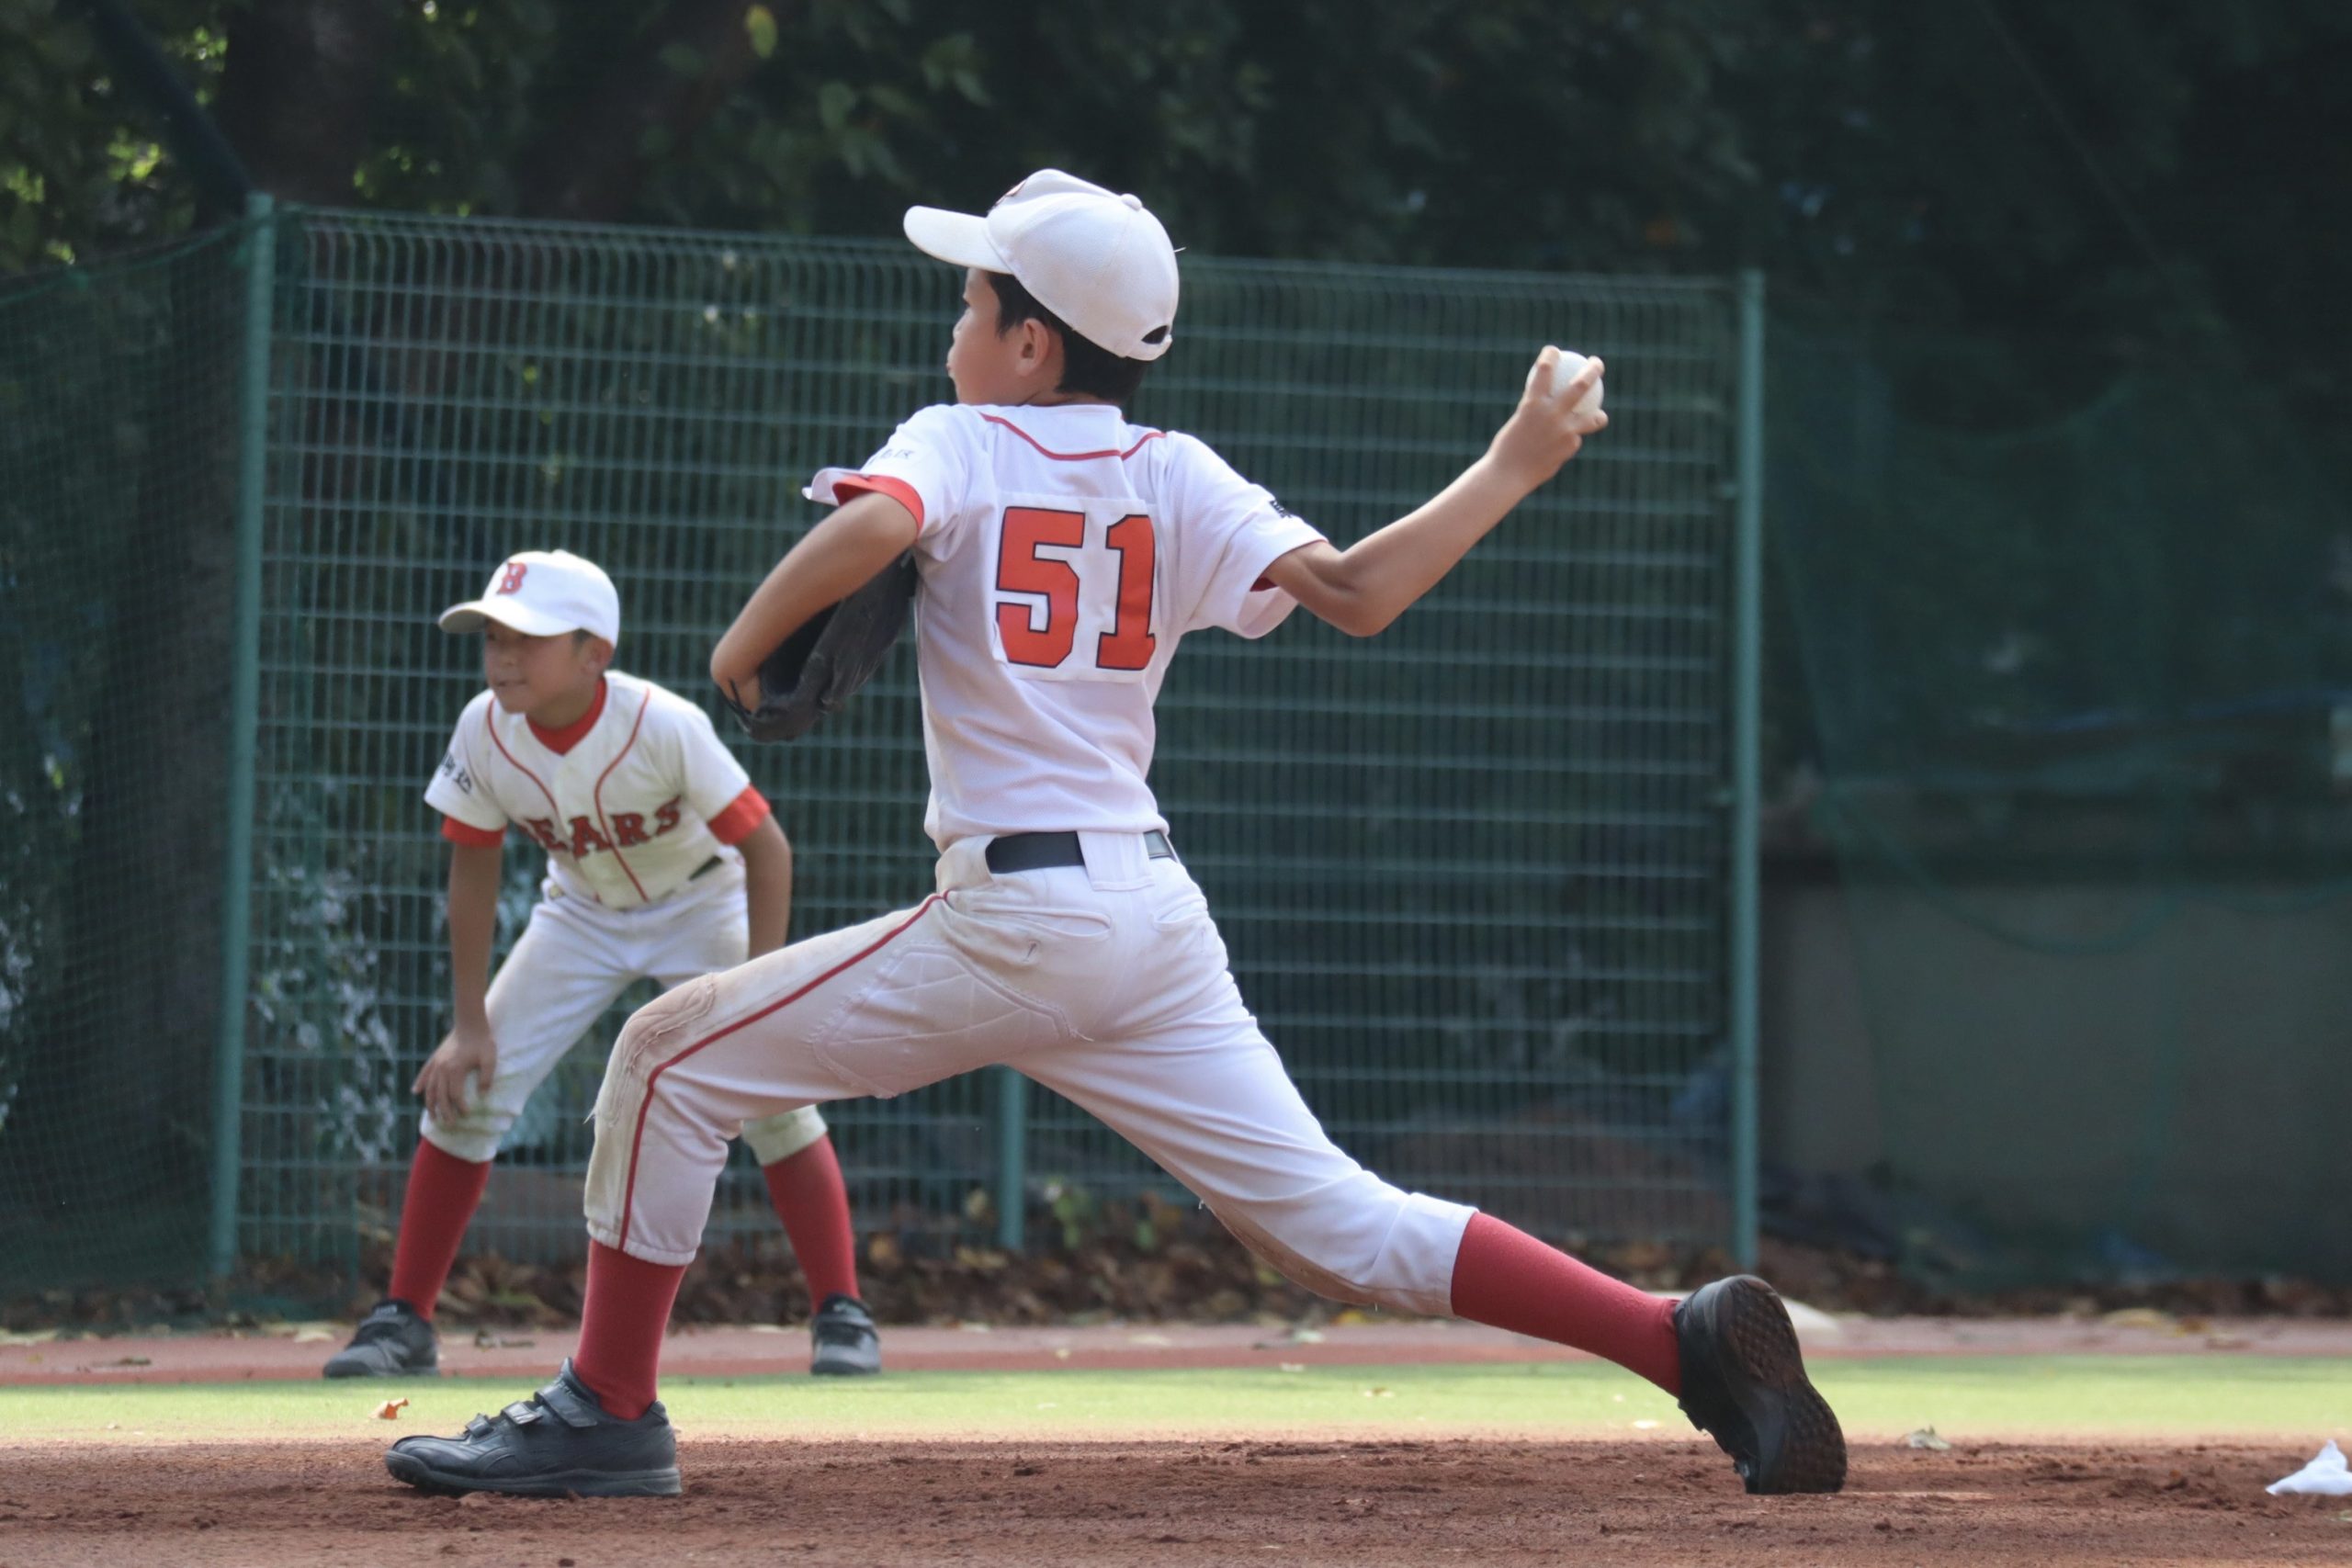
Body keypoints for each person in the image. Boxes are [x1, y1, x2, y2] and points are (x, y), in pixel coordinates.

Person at [385, 175, 1844, 1498]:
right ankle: (1678, 1335)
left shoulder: (958, 435)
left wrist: (736, 648)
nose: (956, 325)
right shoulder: (1175, 468)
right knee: (1335, 1221)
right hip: (1146, 917)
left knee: (663, 1056)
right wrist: (1517, 457)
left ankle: (606, 1407)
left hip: (1017, 917)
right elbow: (1357, 592)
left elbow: (879, 525)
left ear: (1031, 343)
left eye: (974, 302)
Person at [325, 548, 880, 1382]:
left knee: (774, 1101)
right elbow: (472, 864)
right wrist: (469, 1023)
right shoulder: (483, 727)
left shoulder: (661, 723)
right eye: (494, 637)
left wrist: (757, 996)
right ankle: (404, 1318)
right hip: (579, 911)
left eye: (529, 638)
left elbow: (768, 850)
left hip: (699, 905)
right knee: (472, 1087)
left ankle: (842, 1309)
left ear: (595, 653)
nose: (504, 657)